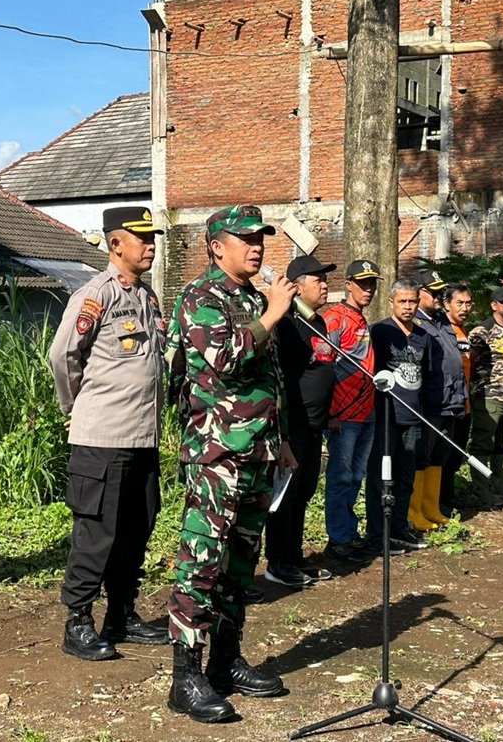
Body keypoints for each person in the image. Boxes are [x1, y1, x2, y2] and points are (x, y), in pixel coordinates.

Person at [165, 205, 298, 723]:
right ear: (217, 247)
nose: (257, 246)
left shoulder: (252, 298)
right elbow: (226, 360)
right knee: (202, 561)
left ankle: (225, 659)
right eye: (246, 239)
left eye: (260, 238)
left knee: (241, 563)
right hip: (216, 453)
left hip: (259, 450)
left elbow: (270, 376)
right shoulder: (201, 297)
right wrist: (272, 315)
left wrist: (280, 439)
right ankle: (185, 677)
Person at [48, 206, 169, 661]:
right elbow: (63, 356)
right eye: (142, 238)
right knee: (96, 533)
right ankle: (78, 621)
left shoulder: (147, 297)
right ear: (116, 244)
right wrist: (75, 407)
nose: (151, 245)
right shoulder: (96, 294)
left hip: (142, 436)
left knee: (137, 528)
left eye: (153, 238)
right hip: (102, 438)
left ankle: (121, 614)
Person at [263, 255, 337, 588]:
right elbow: (281, 375)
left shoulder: (317, 322)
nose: (325, 285)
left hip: (316, 424)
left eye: (325, 279)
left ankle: (294, 556)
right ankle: (277, 561)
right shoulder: (286, 323)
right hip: (293, 422)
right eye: (318, 279)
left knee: (305, 490)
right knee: (287, 495)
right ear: (297, 286)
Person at [364, 280, 439, 556]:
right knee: (381, 477)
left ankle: (399, 527)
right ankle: (377, 534)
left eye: (412, 301)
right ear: (391, 302)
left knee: (406, 476)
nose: (408, 307)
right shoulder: (380, 331)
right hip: (386, 417)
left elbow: (428, 377)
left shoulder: (423, 337)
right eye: (402, 301)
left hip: (414, 418)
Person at [320, 260, 381, 566]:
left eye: (372, 284)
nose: (368, 289)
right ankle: (338, 540)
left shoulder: (361, 318)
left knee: (356, 477)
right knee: (341, 478)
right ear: (348, 285)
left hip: (366, 412)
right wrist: (329, 413)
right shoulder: (334, 318)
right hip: (343, 416)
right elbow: (323, 367)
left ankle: (348, 532)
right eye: (362, 283)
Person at [410, 271, 466, 533]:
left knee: (438, 457)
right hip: (430, 401)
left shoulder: (442, 319)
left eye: (440, 292)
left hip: (450, 401)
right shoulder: (415, 321)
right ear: (419, 292)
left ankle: (431, 507)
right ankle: (414, 512)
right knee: (422, 457)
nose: (438, 296)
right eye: (433, 292)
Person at [468, 286, 503, 508]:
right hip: (489, 396)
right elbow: (468, 360)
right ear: (494, 305)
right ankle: (481, 489)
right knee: (482, 445)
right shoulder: (483, 331)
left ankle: (502, 485)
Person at [440, 284, 475, 510]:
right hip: (448, 405)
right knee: (443, 455)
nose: (464, 308)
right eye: (459, 303)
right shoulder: (442, 331)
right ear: (447, 304)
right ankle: (439, 501)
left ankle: (449, 496)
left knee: (456, 455)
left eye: (468, 303)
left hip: (466, 404)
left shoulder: (465, 331)